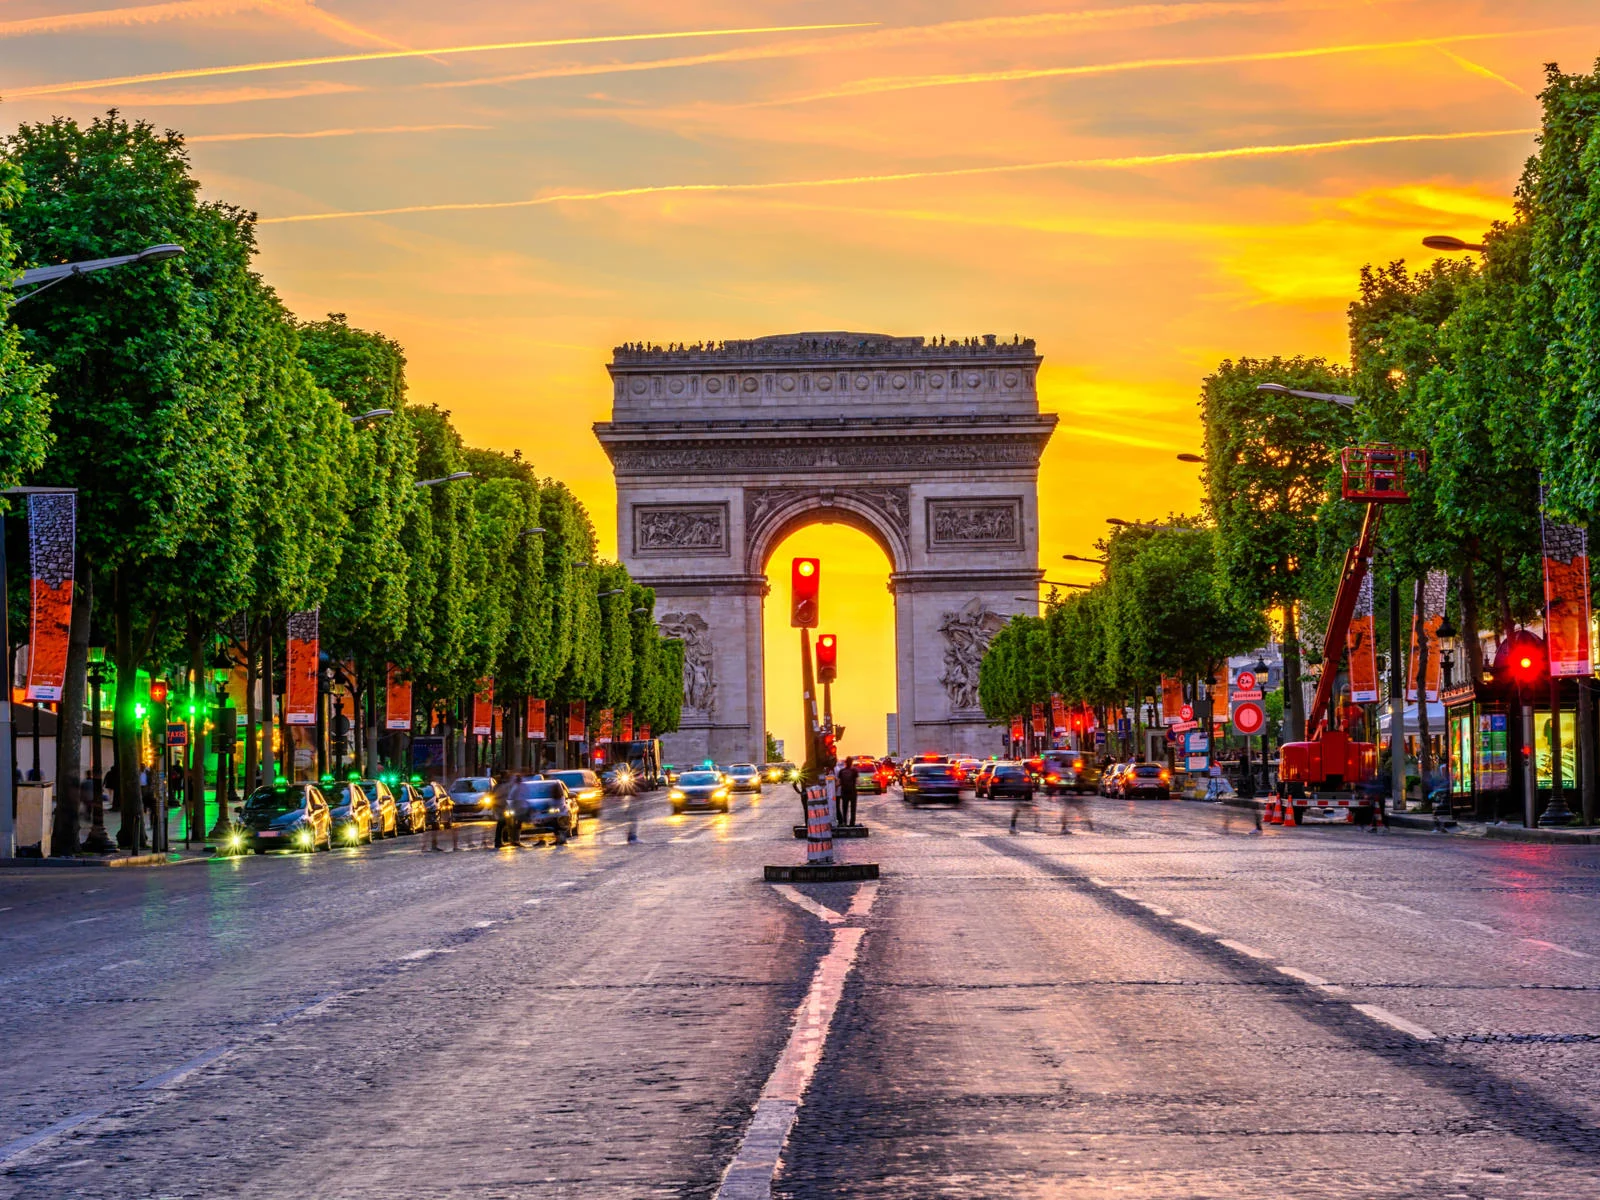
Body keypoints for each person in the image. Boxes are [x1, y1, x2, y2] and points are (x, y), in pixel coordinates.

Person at [836, 759, 859, 828]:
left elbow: (838, 782)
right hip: (853, 792)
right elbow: (857, 782)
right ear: (851, 763)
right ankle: (852, 822)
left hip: (844, 792)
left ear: (845, 763)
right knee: (853, 808)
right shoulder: (854, 771)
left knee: (844, 808)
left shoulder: (841, 771)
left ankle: (844, 822)